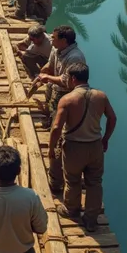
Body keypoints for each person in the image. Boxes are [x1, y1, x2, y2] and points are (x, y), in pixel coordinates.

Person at [50, 63, 117, 231]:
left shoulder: (67, 100)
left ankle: (71, 210)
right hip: (95, 146)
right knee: (94, 182)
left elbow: (57, 127)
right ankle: (91, 219)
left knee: (72, 180)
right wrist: (106, 138)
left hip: (74, 146)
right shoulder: (101, 96)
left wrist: (51, 148)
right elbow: (112, 118)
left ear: (73, 79)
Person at [36, 25, 86, 194]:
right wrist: (42, 73)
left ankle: (56, 177)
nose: (51, 40)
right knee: (51, 113)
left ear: (64, 41)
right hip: (54, 91)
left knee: (59, 132)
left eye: (55, 38)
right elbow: (50, 66)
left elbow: (66, 81)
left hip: (65, 95)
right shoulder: (57, 49)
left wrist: (47, 77)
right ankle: (50, 123)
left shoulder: (75, 57)